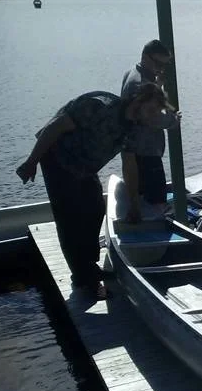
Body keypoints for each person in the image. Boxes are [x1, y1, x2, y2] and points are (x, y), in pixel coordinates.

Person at [16, 84, 176, 299]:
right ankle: (85, 279)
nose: (152, 116)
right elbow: (55, 127)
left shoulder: (134, 128)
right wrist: (31, 162)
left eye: (157, 112)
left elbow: (129, 166)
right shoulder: (99, 105)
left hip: (85, 166)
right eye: (151, 110)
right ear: (138, 100)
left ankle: (89, 265)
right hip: (58, 160)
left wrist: (135, 207)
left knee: (96, 208)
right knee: (71, 218)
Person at [120, 39, 177, 216]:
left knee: (146, 194)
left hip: (137, 149)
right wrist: (173, 119)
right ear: (145, 57)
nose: (161, 69)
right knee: (156, 201)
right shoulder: (140, 84)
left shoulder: (133, 73)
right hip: (145, 152)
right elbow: (153, 119)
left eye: (164, 65)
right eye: (158, 63)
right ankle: (154, 233)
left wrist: (158, 85)